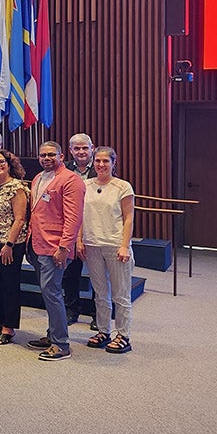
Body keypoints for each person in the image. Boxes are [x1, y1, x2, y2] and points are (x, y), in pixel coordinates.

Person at [26, 141, 85, 361]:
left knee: (51, 292)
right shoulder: (38, 178)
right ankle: (52, 335)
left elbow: (73, 218)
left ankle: (61, 344)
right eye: (43, 155)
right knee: (47, 292)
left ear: (61, 156)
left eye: (51, 155)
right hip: (36, 243)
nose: (46, 158)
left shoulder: (71, 180)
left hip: (54, 247)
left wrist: (64, 247)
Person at [80, 147, 135, 354]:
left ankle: (123, 335)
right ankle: (104, 331)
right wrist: (79, 240)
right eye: (98, 161)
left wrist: (124, 245)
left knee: (121, 295)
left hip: (115, 245)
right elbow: (80, 216)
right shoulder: (85, 185)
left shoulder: (122, 187)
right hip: (92, 245)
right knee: (100, 293)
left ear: (114, 163)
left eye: (105, 161)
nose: (101, 165)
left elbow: (129, 218)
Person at [0, 149, 28, 346]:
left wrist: (9, 244)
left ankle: (9, 328)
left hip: (9, 245)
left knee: (9, 286)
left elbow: (19, 219)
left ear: (9, 165)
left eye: (1, 162)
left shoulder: (16, 187)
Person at [64, 132, 97, 327]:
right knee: (70, 274)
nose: (81, 151)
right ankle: (71, 310)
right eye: (77, 148)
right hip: (71, 228)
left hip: (94, 228)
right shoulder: (65, 169)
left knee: (97, 275)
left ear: (92, 148)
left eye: (85, 147)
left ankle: (96, 314)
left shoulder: (101, 167)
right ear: (70, 151)